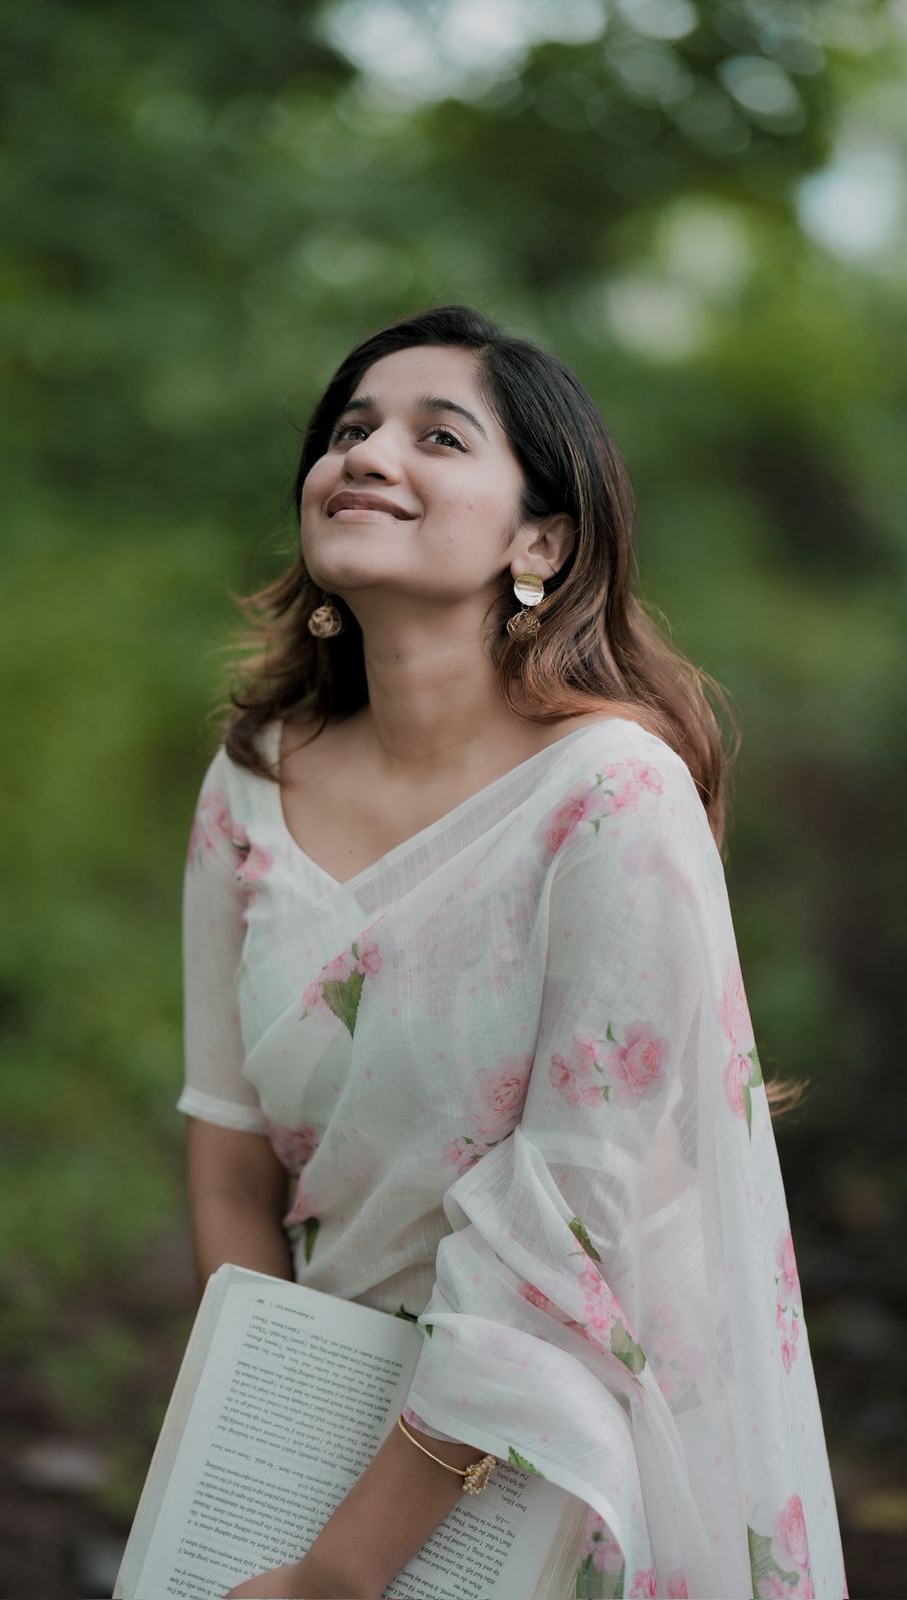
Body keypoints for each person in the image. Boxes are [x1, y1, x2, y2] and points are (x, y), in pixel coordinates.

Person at [179, 304, 848, 1599]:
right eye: (350, 430)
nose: (368, 454)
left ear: (538, 538)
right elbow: (226, 1155)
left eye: (438, 435)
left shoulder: (609, 798)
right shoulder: (250, 781)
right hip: (323, 1413)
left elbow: (561, 1243)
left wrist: (341, 1572)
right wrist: (255, 1451)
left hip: (564, 1446)